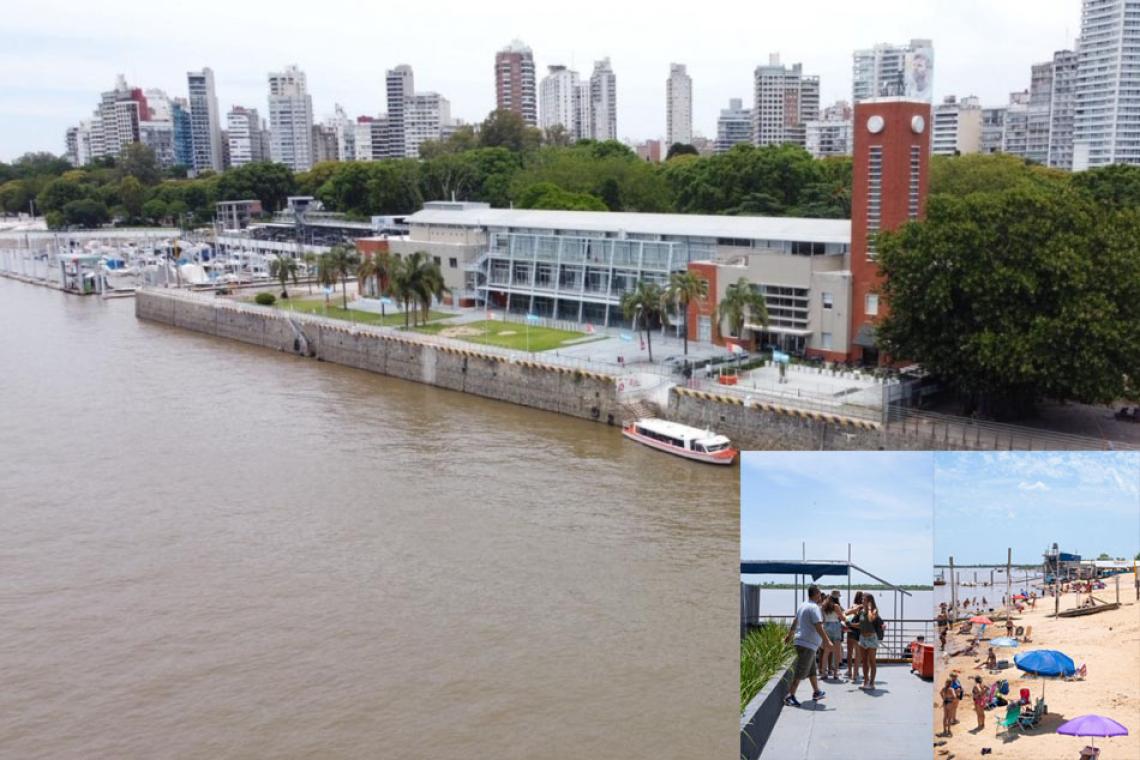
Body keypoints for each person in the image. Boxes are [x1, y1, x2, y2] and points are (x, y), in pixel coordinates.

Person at [783, 585, 831, 707]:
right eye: (819, 594)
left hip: (802, 642)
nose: (820, 596)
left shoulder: (802, 605)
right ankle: (790, 696)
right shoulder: (814, 607)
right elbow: (818, 626)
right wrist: (827, 641)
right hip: (808, 644)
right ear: (815, 594)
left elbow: (795, 622)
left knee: (811, 669)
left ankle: (817, 691)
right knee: (801, 671)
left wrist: (789, 636)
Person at [857, 592, 882, 689]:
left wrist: (870, 608)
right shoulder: (861, 611)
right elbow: (861, 624)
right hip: (862, 638)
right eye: (862, 599)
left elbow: (871, 619)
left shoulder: (874, 611)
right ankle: (865, 680)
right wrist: (850, 624)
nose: (862, 600)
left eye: (864, 599)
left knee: (872, 661)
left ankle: (872, 682)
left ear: (869, 601)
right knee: (864, 661)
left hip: (871, 638)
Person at [820, 590, 845, 679]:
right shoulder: (836, 606)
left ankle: (823, 673)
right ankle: (835, 673)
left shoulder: (824, 605)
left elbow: (822, 619)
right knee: (836, 651)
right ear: (837, 597)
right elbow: (842, 618)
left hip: (826, 626)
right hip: (835, 627)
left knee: (826, 651)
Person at [844, 591, 865, 683]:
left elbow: (845, 613)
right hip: (858, 631)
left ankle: (849, 670)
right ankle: (855, 672)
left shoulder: (853, 605)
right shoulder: (862, 607)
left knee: (849, 652)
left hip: (850, 630)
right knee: (857, 653)